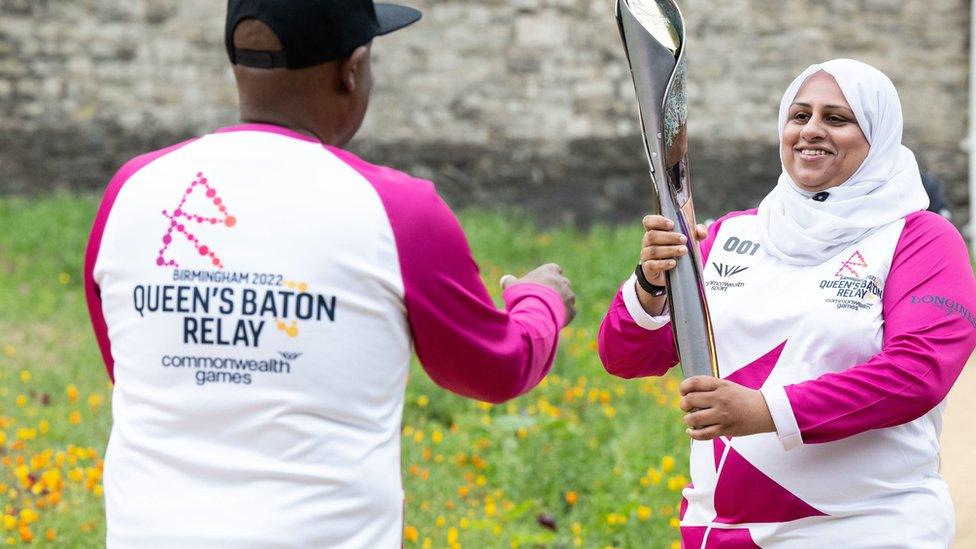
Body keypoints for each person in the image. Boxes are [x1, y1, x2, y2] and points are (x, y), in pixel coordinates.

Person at [83, 1, 575, 546]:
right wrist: (540, 300)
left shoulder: (130, 192)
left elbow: (130, 368)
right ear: (353, 69)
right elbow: (496, 367)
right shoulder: (400, 211)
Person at [598, 58, 976, 547]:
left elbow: (918, 374)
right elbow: (627, 358)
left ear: (879, 136)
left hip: (867, 528)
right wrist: (651, 283)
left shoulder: (920, 239)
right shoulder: (730, 234)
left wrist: (766, 411)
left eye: (836, 119)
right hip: (723, 531)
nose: (811, 130)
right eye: (799, 116)